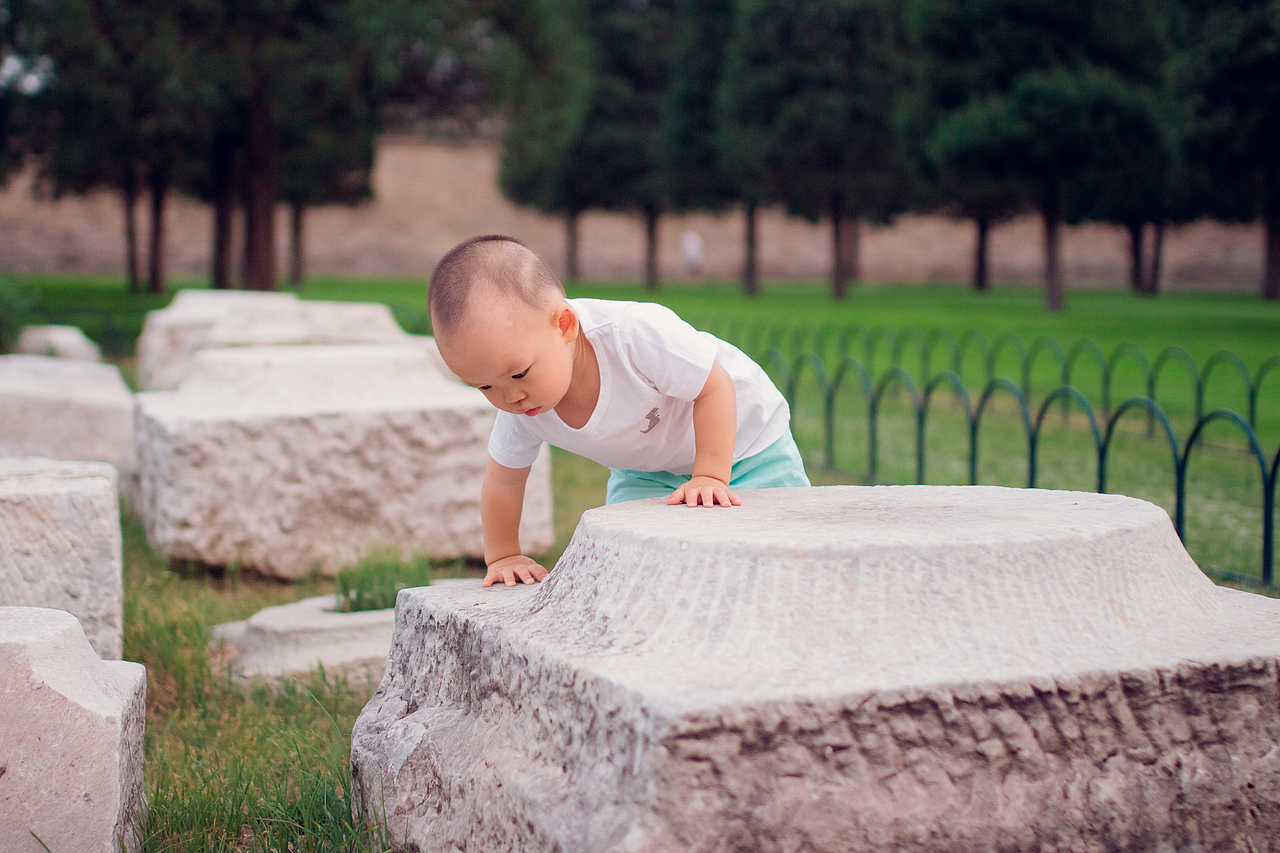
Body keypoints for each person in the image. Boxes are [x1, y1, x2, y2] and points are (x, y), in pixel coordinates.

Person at [429, 235, 809, 588]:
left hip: (747, 444)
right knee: (628, 565)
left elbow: (714, 387)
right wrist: (503, 555)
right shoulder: (522, 400)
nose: (510, 397)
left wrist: (710, 476)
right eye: (484, 386)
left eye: (519, 373)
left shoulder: (633, 336)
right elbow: (504, 480)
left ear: (564, 326)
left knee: (780, 556)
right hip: (646, 471)